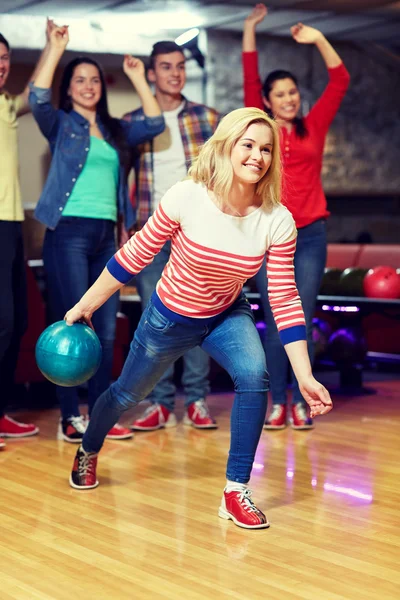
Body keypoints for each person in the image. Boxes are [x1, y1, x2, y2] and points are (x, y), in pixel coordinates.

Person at [65, 107, 333, 530]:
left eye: (266, 149)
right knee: (125, 396)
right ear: (227, 146)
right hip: (169, 317)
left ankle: (235, 491)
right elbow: (135, 255)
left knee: (254, 374)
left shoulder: (277, 220)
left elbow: (283, 297)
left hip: (226, 314)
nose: (257, 156)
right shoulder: (188, 196)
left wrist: (303, 375)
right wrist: (86, 304)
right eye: (248, 145)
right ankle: (89, 448)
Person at [29, 24, 165, 443]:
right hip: (66, 233)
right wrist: (56, 48)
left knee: (105, 332)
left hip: (108, 236)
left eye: (93, 81)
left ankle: (101, 416)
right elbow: (36, 97)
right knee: (72, 323)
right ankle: (71, 417)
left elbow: (156, 122)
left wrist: (140, 77)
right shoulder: (60, 124)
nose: (88, 87)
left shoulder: (115, 130)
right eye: (79, 81)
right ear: (68, 89)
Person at [242, 3, 350, 430]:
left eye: (293, 92)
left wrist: (318, 39)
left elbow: (340, 80)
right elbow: (250, 75)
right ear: (266, 102)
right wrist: (250, 29)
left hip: (310, 235)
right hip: (270, 236)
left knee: (300, 317)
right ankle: (275, 402)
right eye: (279, 94)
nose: (289, 99)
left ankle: (301, 401)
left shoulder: (314, 125)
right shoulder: (260, 131)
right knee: (273, 321)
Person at [124, 41, 220, 433]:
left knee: (198, 318)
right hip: (150, 231)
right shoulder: (134, 122)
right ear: (151, 74)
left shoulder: (209, 118)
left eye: (180, 66)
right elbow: (119, 179)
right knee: (155, 320)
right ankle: (160, 402)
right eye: (166, 67)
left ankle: (196, 399)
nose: (175, 73)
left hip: (197, 234)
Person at [0, 22, 55, 448]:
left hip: (12, 226)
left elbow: (32, 93)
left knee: (15, 323)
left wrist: (52, 48)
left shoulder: (4, 105)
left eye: (4, 60)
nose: (1, 66)